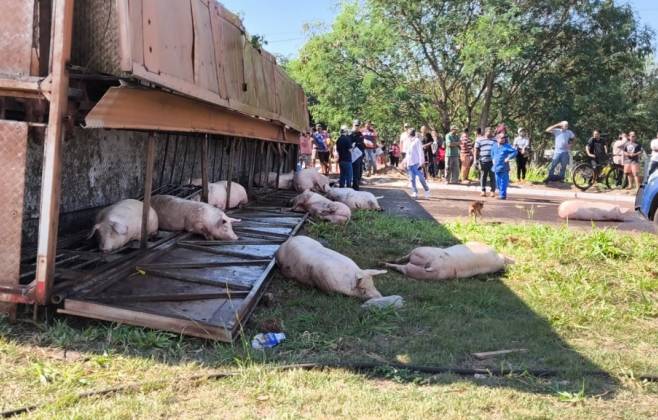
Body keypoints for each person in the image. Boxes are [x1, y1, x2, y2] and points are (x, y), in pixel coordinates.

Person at [491, 133, 518, 200]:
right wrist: (493, 159)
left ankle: (502, 195)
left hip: (504, 167)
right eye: (501, 138)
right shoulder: (494, 146)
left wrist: (508, 158)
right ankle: (501, 193)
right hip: (496, 167)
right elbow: (492, 153)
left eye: (504, 138)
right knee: (497, 182)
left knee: (503, 182)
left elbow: (515, 152)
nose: (503, 139)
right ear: (497, 138)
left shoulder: (507, 146)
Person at [405, 129, 430, 199]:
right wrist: (406, 162)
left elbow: (420, 152)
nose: (409, 134)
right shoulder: (408, 141)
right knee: (412, 179)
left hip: (416, 163)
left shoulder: (417, 141)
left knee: (421, 178)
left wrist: (421, 162)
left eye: (409, 132)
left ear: (412, 133)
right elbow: (407, 153)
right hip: (410, 163)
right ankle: (414, 192)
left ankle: (427, 190)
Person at [474, 127, 496, 197]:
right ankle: (483, 190)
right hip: (483, 160)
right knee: (483, 176)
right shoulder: (480, 139)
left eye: (491, 131)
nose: (490, 133)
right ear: (485, 132)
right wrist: (475, 160)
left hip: (492, 161)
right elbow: (476, 150)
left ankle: (492, 191)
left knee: (492, 176)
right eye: (489, 131)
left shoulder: (495, 140)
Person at [351, 119, 365, 191]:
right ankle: (355, 187)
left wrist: (363, 154)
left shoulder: (360, 134)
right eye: (356, 125)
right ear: (353, 125)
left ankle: (357, 185)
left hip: (360, 156)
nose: (357, 127)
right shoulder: (350, 134)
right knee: (355, 173)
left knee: (359, 172)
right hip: (353, 156)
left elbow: (362, 144)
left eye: (358, 125)